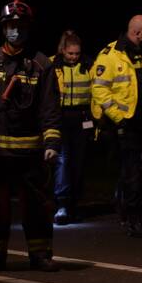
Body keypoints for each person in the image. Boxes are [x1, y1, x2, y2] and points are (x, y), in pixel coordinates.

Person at [0, 0, 62, 272]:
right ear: (3, 28)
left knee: (37, 207)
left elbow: (49, 108)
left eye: (20, 26)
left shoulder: (41, 65)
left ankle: (40, 255)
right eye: (10, 26)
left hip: (30, 153)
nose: (15, 31)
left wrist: (51, 143)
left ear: (28, 28)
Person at [91, 15, 142, 238]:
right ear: (135, 33)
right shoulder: (110, 55)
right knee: (132, 170)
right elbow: (99, 90)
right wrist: (118, 117)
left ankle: (128, 201)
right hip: (127, 122)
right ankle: (134, 217)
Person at [51, 30, 93, 225]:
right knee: (62, 160)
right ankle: (62, 204)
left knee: (79, 162)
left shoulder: (89, 65)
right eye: (70, 54)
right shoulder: (53, 65)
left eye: (77, 54)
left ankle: (74, 204)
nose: (74, 57)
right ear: (63, 51)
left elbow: (96, 92)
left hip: (83, 118)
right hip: (60, 118)